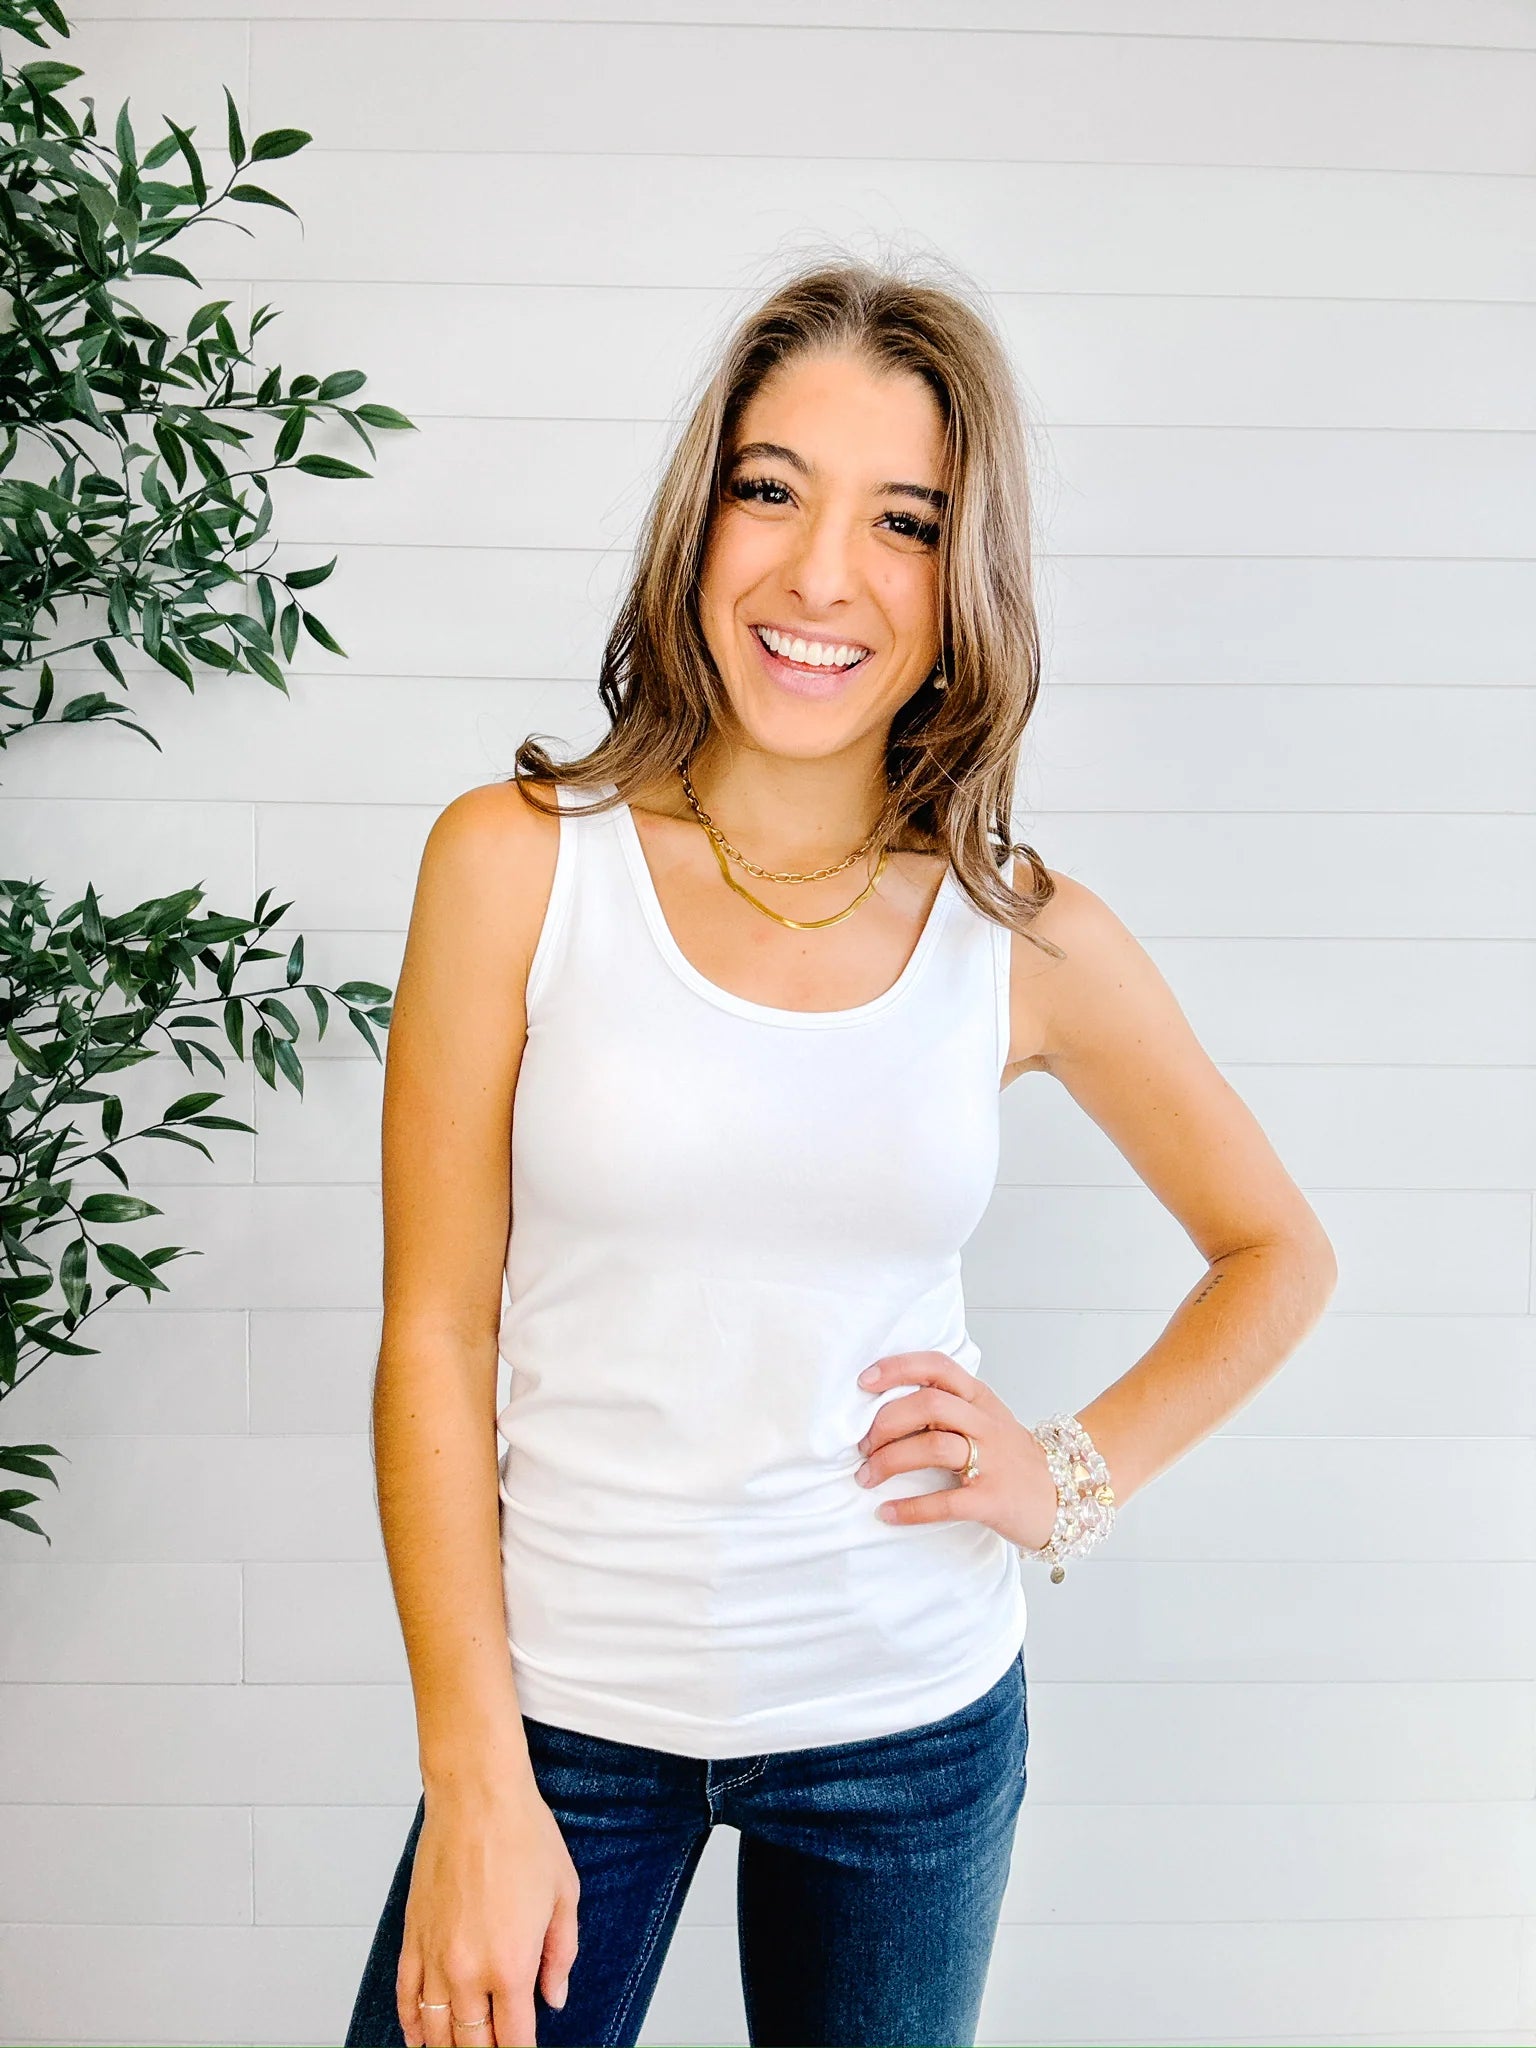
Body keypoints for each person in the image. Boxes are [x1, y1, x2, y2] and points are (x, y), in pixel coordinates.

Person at [343, 254, 1337, 2048]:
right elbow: (435, 1330)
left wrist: (1068, 1475)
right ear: (699, 524)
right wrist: (473, 1775)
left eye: (904, 521)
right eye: (771, 490)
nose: (820, 574)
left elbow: (1277, 1254)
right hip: (564, 1716)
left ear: (963, 589)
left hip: (910, 1725)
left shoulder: (1018, 932)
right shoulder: (515, 863)